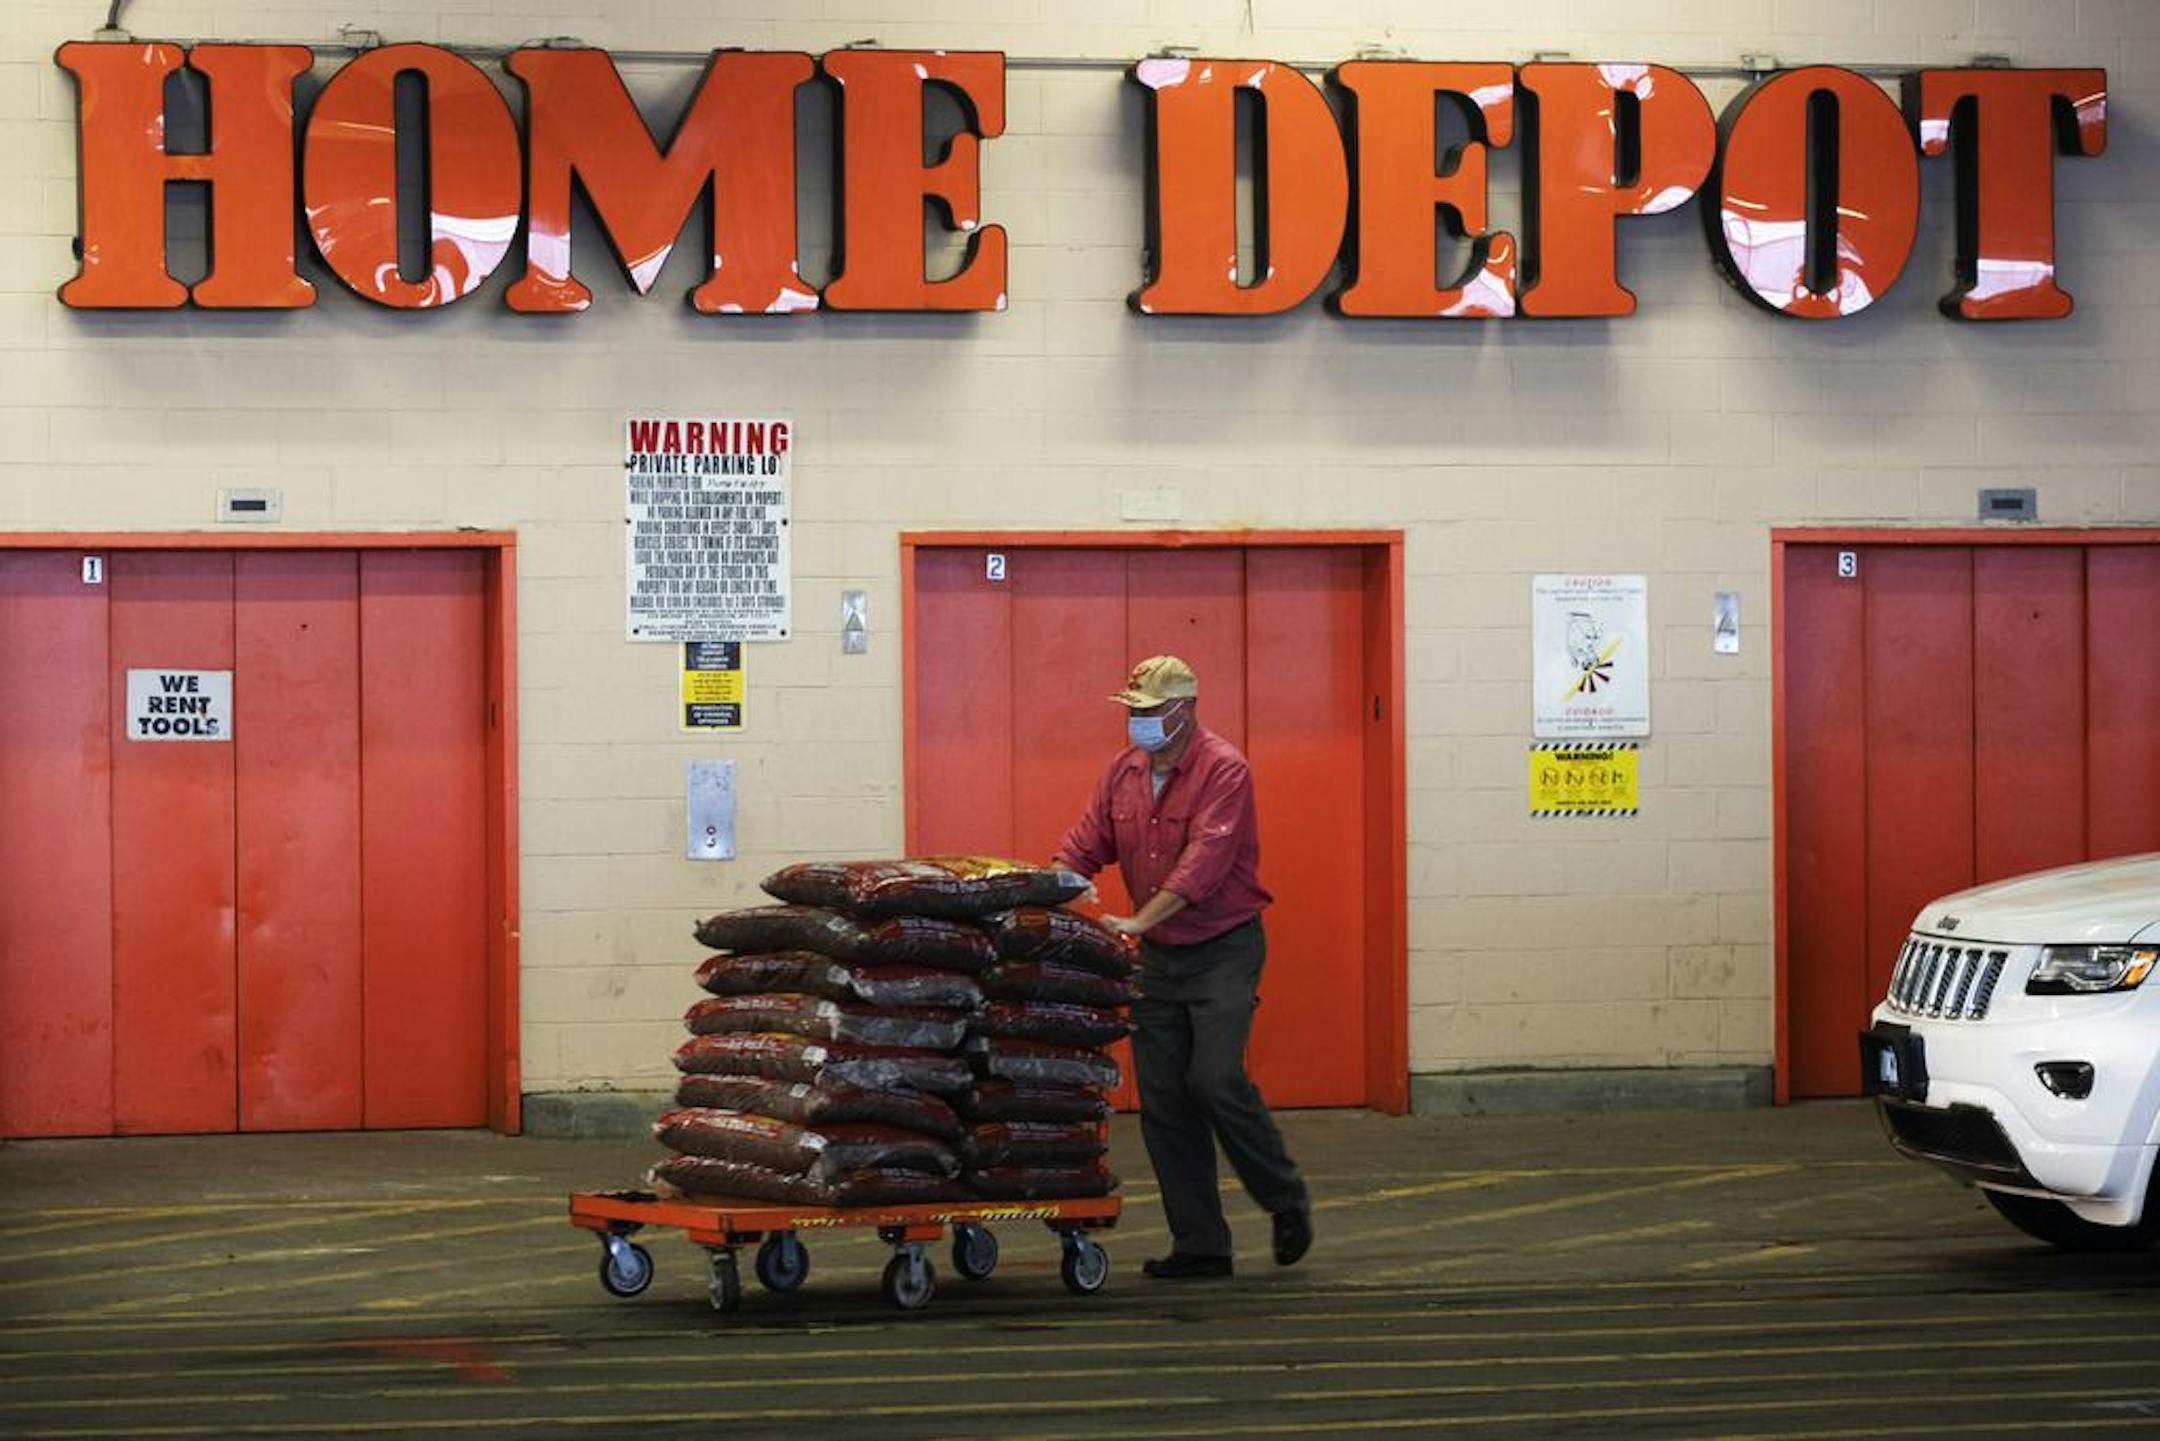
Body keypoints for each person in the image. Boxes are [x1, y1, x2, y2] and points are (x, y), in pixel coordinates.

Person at [1052, 655, 1312, 1278]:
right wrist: (1045, 887)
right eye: (1132, 712)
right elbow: (1088, 843)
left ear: (1187, 709)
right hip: (1161, 959)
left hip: (1222, 947)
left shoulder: (1225, 770)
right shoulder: (1124, 772)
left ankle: (1284, 1198)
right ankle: (1201, 1245)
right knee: (1166, 1101)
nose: (1137, 723)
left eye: (1149, 712)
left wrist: (1140, 922)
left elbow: (1205, 863)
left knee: (1215, 1078)